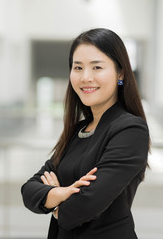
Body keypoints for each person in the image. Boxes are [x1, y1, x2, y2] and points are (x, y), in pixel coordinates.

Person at [21, 28, 150, 239]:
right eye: (78, 67)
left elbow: (85, 205)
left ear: (120, 73)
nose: (85, 77)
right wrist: (61, 194)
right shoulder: (77, 130)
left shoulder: (130, 130)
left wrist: (54, 205)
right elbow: (28, 190)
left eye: (97, 67)